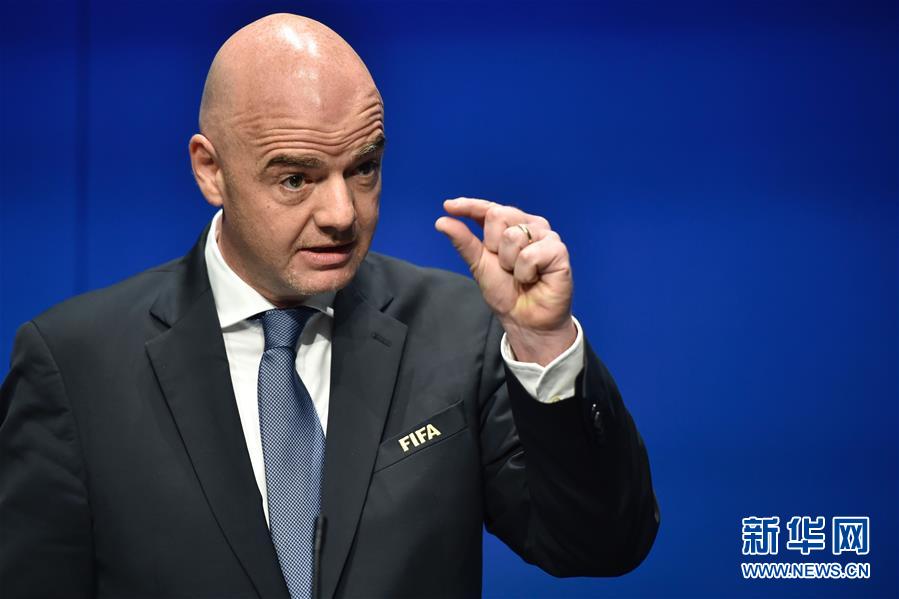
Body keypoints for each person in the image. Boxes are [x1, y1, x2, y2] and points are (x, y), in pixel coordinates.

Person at [0, 13, 658, 599]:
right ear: (210, 170)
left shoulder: (460, 332)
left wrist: (543, 343)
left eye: (363, 168)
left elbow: (600, 545)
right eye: (296, 179)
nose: (342, 214)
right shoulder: (76, 366)